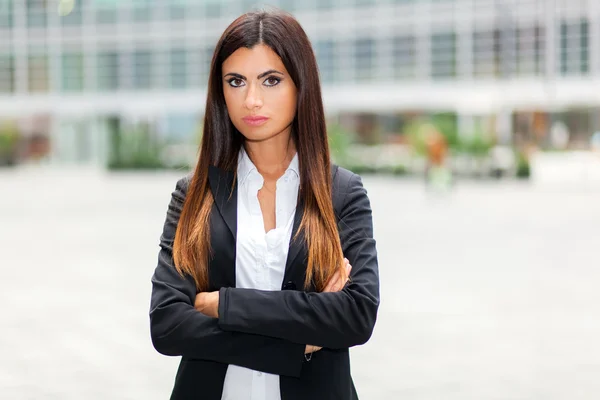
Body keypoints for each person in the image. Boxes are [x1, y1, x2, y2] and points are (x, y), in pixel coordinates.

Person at [149, 9, 380, 400]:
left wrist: (225, 304)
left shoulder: (342, 192)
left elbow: (356, 316)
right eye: (235, 81)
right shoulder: (193, 195)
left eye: (271, 80)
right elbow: (168, 325)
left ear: (300, 85)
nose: (251, 99)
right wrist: (294, 342)